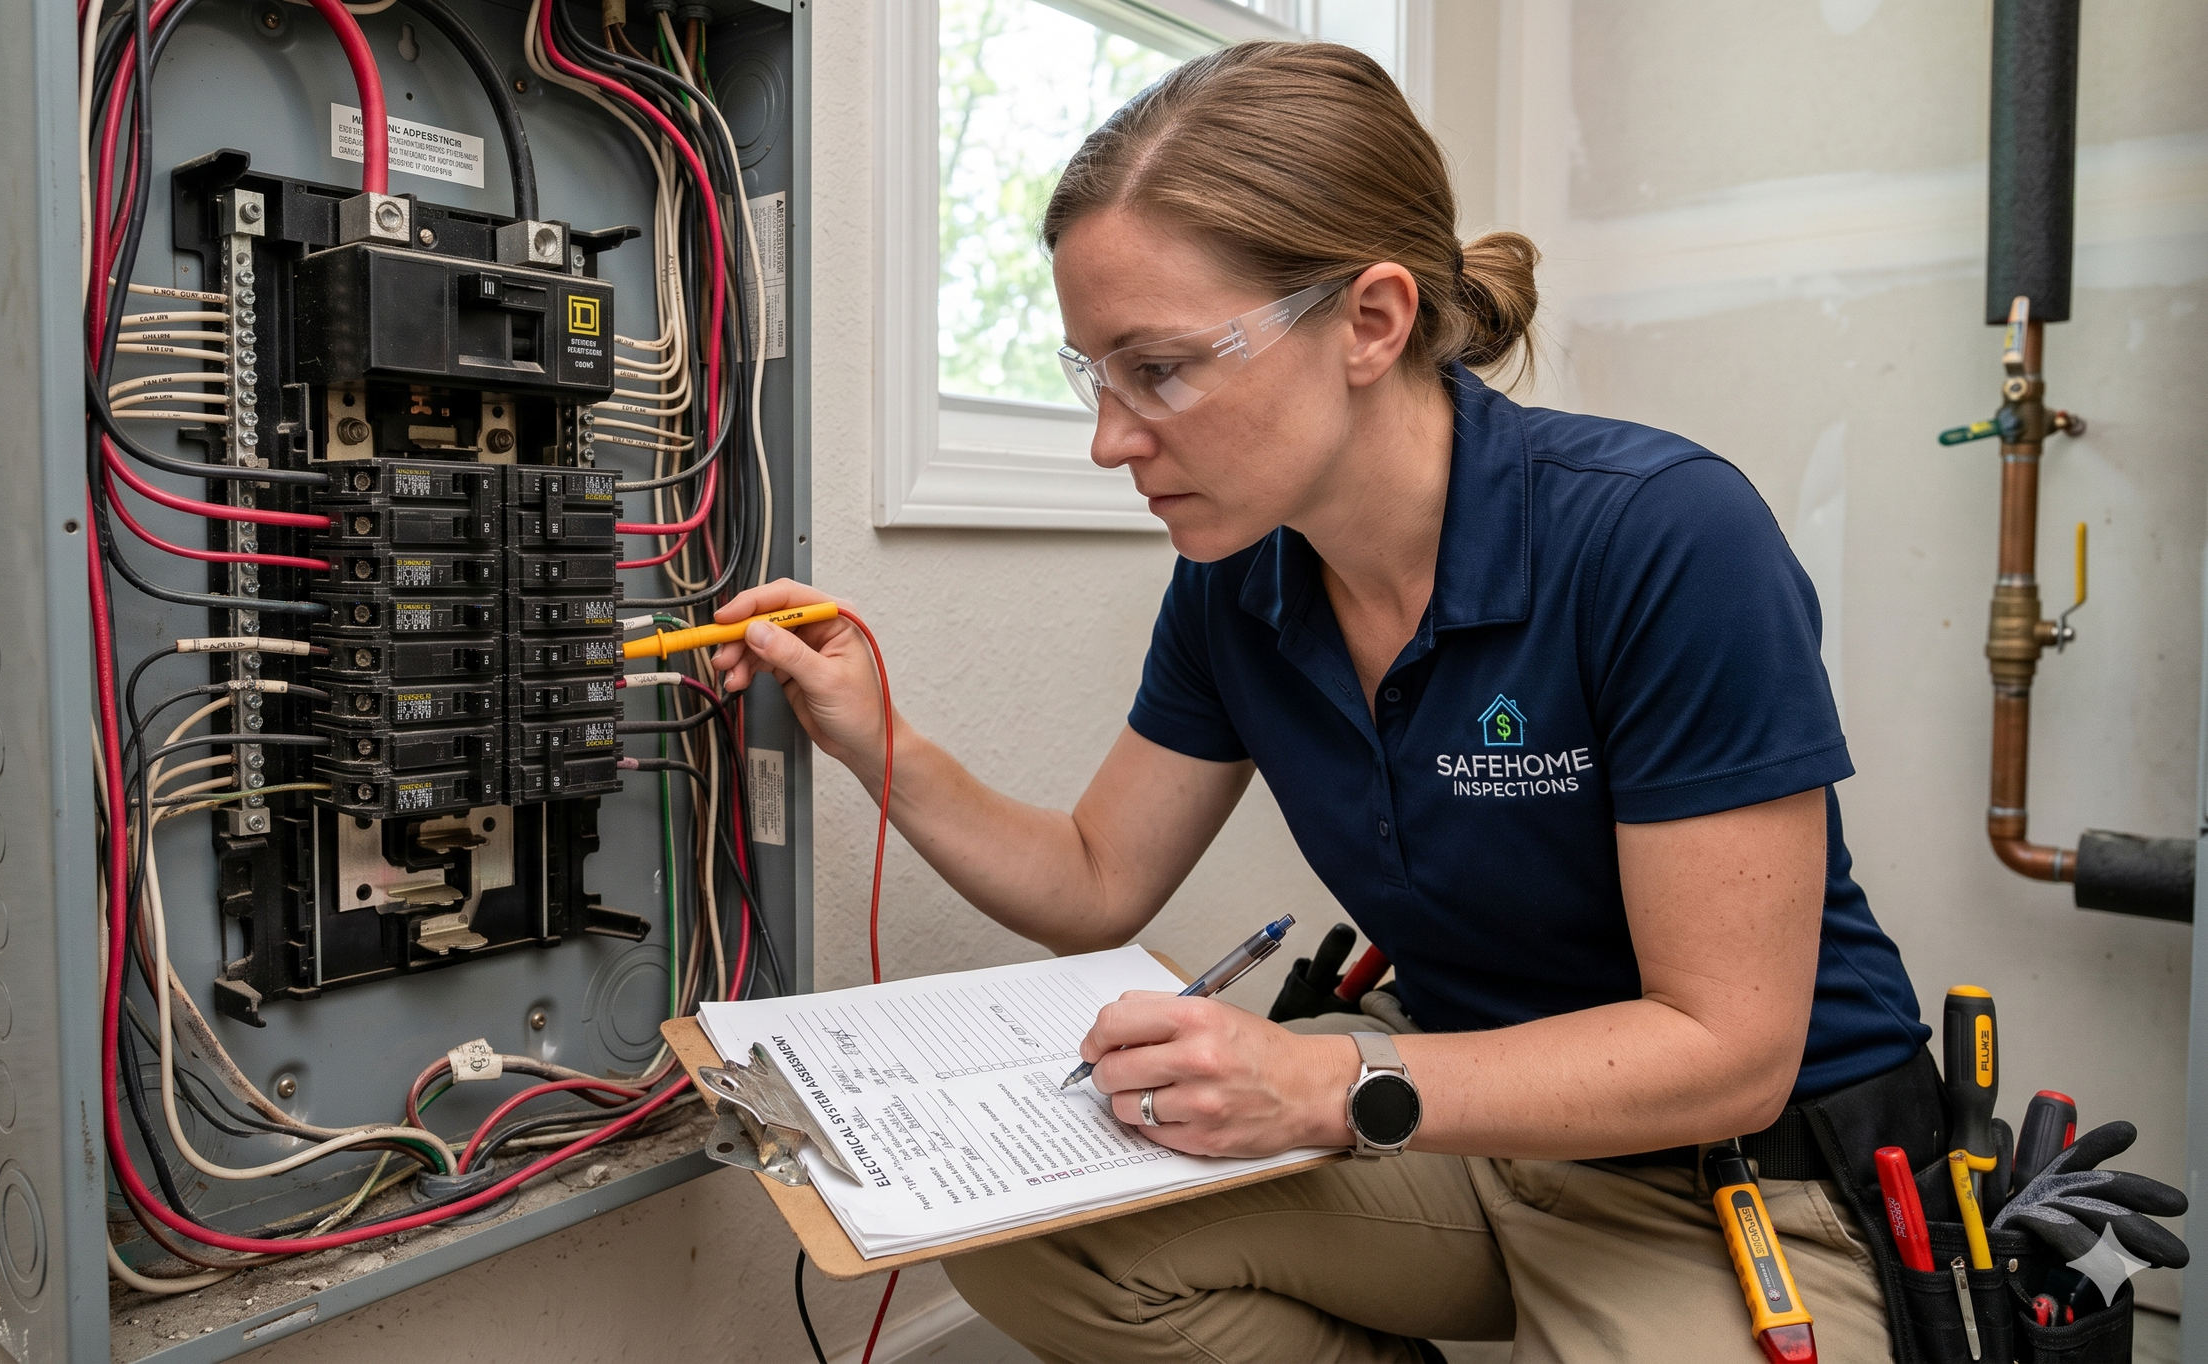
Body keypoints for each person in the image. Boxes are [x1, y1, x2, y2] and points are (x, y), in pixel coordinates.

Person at [709, 41, 1934, 1364]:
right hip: (1457, 1122)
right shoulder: (1243, 581)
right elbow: (1094, 878)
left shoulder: (1661, 537)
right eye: (1094, 375)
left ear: (1370, 320)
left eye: (1160, 369)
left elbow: (1729, 1051)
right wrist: (875, 739)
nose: (1111, 439)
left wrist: (1325, 1082)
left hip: (1732, 1176)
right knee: (1024, 1237)